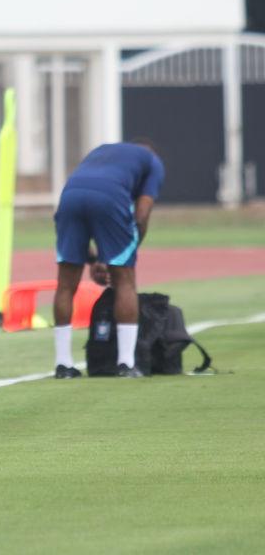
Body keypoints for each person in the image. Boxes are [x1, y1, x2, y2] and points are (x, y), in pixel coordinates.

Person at [52, 141, 164, 379]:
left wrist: (94, 261)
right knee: (125, 281)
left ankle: (63, 365)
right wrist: (120, 258)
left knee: (65, 284)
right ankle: (125, 364)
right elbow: (141, 216)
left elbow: (87, 194)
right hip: (109, 197)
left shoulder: (101, 150)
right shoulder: (153, 162)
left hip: (70, 195)